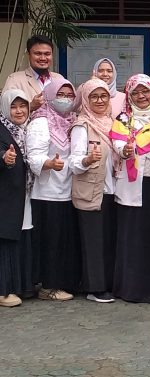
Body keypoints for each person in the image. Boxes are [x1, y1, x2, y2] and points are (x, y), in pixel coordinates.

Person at [110, 74, 150, 303]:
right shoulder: (123, 119)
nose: (141, 96)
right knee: (133, 237)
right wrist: (125, 150)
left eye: (145, 91)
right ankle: (131, 289)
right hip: (131, 186)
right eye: (135, 92)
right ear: (129, 96)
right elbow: (118, 143)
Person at [27, 78, 81, 301]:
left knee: (63, 241)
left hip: (68, 190)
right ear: (49, 96)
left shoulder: (72, 120)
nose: (65, 99)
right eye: (60, 94)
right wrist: (48, 163)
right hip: (46, 192)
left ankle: (63, 282)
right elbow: (33, 155)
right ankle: (48, 286)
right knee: (50, 241)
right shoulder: (41, 122)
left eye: (69, 95)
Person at [70, 79, 118, 304]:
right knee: (93, 242)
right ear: (86, 100)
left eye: (104, 96)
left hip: (111, 190)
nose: (100, 101)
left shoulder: (113, 123)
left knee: (107, 240)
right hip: (91, 191)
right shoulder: (82, 126)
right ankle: (94, 288)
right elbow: (73, 162)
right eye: (94, 97)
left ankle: (107, 284)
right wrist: (87, 160)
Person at [0, 90, 32, 307]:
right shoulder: (2, 128)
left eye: (23, 106)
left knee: (18, 239)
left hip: (21, 195)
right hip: (5, 197)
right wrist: (5, 158)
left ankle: (19, 286)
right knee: (5, 241)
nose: (19, 111)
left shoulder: (26, 130)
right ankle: (3, 291)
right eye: (13, 106)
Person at [3, 35, 62, 112]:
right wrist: (30, 106)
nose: (43, 58)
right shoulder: (15, 79)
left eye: (47, 54)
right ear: (29, 55)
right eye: (38, 54)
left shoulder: (59, 79)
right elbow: (5, 111)